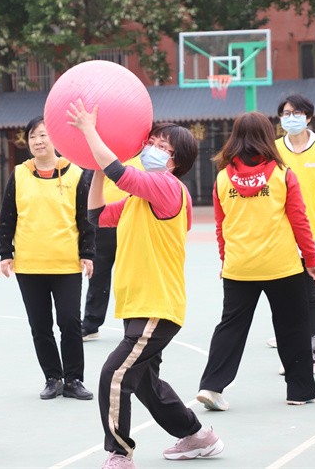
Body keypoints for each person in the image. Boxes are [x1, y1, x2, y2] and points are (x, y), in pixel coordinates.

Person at [66, 101, 223, 469]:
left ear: (175, 162)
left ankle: (119, 453)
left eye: (162, 146)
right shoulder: (141, 197)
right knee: (145, 383)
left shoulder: (167, 187)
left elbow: (120, 172)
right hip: (140, 304)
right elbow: (97, 215)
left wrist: (90, 131)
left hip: (157, 305)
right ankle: (197, 436)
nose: (152, 148)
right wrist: (96, 167)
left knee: (114, 375)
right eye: (151, 142)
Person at [196, 112, 315, 413]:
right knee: (293, 326)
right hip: (281, 266)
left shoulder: (222, 177)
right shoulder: (283, 174)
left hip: (239, 266)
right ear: (268, 136)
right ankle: (301, 390)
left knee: (231, 327)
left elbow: (221, 226)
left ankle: (211, 386)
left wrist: (225, 259)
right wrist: (311, 260)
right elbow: (300, 221)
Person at [0, 116, 96, 401]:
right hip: (29, 265)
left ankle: (74, 379)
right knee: (40, 326)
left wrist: (87, 254)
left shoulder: (75, 174)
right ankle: (53, 378)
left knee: (69, 322)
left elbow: (85, 217)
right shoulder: (19, 174)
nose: (38, 141)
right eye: (32, 136)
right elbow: (7, 217)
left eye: (43, 135)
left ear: (56, 139)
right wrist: (5, 253)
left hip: (66, 264)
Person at [271, 94, 315, 376]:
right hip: (284, 236)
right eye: (286, 113)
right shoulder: (275, 148)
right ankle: (292, 354)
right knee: (288, 298)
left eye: (297, 113)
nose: (291, 118)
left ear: (308, 117)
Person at [81, 157, 142, 342]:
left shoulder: (144, 157)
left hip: (134, 223)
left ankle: (134, 326)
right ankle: (90, 324)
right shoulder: (101, 157)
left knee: (133, 277)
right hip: (103, 224)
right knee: (98, 276)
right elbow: (87, 188)